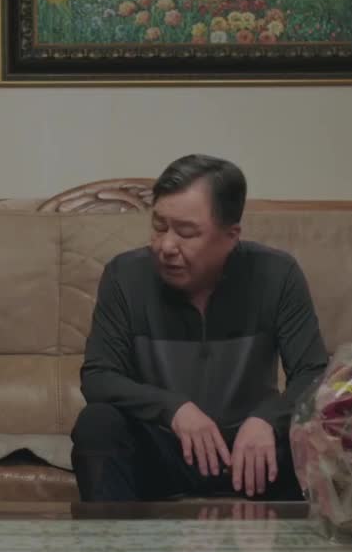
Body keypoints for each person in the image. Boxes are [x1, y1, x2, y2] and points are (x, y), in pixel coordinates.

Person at [72, 154, 328, 502]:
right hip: (164, 452)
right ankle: (112, 538)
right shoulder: (125, 276)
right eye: (159, 226)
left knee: (322, 433)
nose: (166, 246)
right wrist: (174, 409)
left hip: (252, 455)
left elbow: (313, 373)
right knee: (98, 423)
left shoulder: (277, 275)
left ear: (230, 236)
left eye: (186, 232)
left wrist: (269, 419)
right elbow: (99, 376)